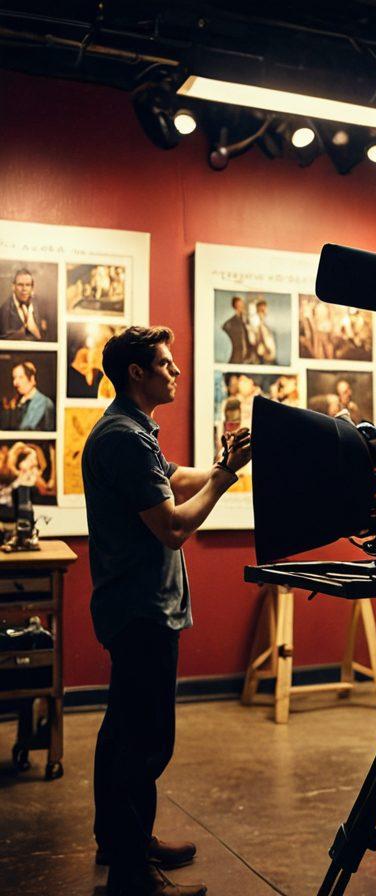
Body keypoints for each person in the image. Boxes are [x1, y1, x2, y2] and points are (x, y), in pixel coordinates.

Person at [84, 326, 251, 896]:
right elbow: (174, 526)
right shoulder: (125, 439)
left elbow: (175, 479)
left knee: (121, 731)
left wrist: (224, 463)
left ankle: (122, 842)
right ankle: (132, 875)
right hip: (141, 610)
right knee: (145, 741)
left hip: (132, 606)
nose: (176, 372)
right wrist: (225, 479)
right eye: (166, 364)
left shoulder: (130, 430)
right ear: (138, 372)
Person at [0, 268, 46, 341]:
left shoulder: (37, 303)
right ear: (13, 287)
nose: (24, 289)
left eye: (28, 285)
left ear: (32, 288)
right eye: (20, 285)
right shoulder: (5, 311)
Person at [10, 361, 55, 431]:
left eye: (21, 377)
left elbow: (25, 429)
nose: (15, 383)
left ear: (32, 379)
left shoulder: (43, 402)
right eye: (14, 378)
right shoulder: (19, 402)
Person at [221, 295, 254, 364]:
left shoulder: (246, 321)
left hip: (247, 358)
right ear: (235, 306)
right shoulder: (230, 323)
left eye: (242, 305)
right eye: (239, 305)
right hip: (236, 356)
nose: (242, 307)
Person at [251, 299, 276, 364]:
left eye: (265, 310)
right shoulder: (254, 326)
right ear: (257, 312)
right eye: (262, 310)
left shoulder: (267, 326)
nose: (264, 313)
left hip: (270, 358)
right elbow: (254, 342)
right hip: (260, 358)